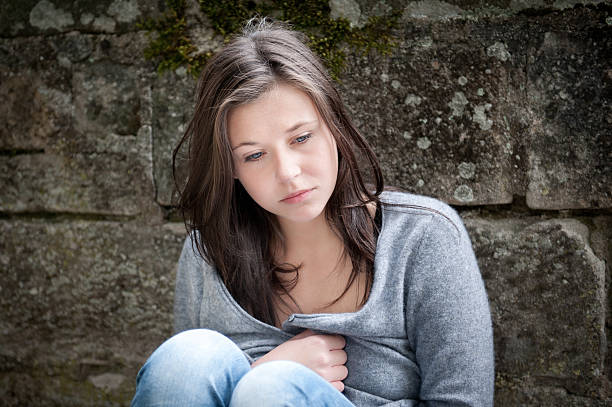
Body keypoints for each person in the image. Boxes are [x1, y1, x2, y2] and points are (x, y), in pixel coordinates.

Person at [131, 18, 494, 407]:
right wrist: (263, 371)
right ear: (231, 168)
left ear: (333, 126)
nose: (288, 173)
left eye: (301, 137)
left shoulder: (423, 236)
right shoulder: (208, 252)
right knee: (184, 360)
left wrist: (275, 388)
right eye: (254, 155)